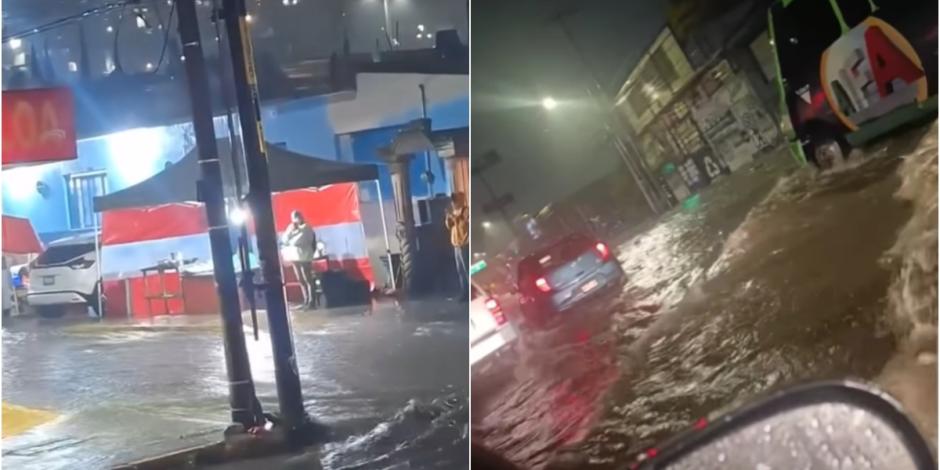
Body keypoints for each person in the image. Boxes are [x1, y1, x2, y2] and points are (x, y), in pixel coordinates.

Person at [281, 210, 318, 309]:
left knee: (307, 278)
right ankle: (305, 300)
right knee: (300, 279)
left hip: (304, 256)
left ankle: (311, 301)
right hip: (294, 256)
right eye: (293, 217)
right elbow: (284, 239)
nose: (295, 219)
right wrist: (291, 231)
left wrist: (291, 239)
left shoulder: (306, 227)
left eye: (297, 216)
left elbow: (300, 240)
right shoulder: (290, 227)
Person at [445, 192, 470, 301]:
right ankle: (464, 292)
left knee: (466, 270)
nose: (453, 202)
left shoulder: (465, 211)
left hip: (464, 244)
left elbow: (464, 223)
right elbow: (449, 226)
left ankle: (469, 292)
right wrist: (448, 218)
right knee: (460, 270)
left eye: (455, 200)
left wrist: (455, 217)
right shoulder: (453, 212)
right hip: (456, 245)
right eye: (452, 201)